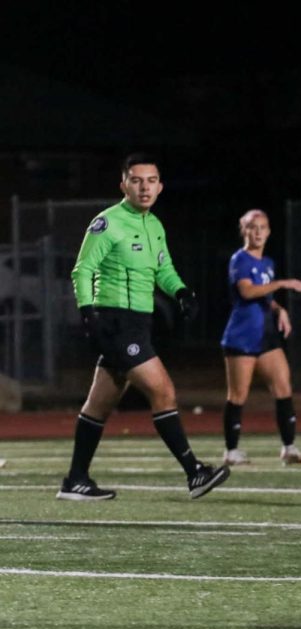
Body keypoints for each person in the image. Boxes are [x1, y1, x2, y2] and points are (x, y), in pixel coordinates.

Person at [58, 154, 230, 502]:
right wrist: (88, 311)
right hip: (117, 322)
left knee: (98, 406)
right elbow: (83, 269)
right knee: (162, 390)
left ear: (160, 186)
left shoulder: (155, 226)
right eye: (136, 180)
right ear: (124, 184)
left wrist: (181, 291)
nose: (144, 187)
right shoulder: (108, 222)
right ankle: (194, 472)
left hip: (139, 323)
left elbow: (163, 270)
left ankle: (75, 479)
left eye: (151, 180)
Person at [220, 209, 301, 466]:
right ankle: (231, 451)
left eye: (262, 227)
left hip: (266, 335)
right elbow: (248, 292)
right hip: (242, 335)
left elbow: (265, 297)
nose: (258, 232)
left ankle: (289, 448)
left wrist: (279, 309)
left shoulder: (268, 263)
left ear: (269, 231)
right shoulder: (239, 260)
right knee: (238, 395)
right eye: (252, 227)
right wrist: (283, 284)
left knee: (283, 387)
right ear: (244, 230)